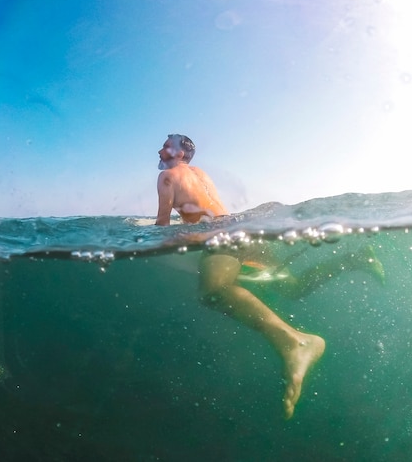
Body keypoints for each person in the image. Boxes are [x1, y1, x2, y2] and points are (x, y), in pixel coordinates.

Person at [155, 134, 383, 419]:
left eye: (166, 145)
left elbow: (162, 226)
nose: (161, 150)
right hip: (242, 231)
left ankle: (294, 341)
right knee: (294, 287)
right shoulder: (199, 173)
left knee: (213, 290)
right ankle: (356, 259)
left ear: (179, 153)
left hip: (222, 239)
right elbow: (205, 209)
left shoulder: (167, 177)